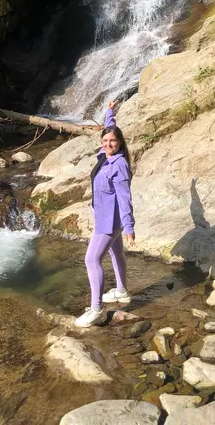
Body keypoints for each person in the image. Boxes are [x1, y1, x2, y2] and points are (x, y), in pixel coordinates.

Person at [75, 100, 135, 328]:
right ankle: (121, 291)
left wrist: (129, 227)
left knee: (91, 259)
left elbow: (125, 197)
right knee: (115, 253)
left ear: (120, 143)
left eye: (113, 141)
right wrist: (110, 112)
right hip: (107, 217)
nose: (109, 144)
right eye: (106, 140)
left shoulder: (119, 165)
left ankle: (96, 309)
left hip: (110, 221)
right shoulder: (104, 155)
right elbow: (109, 128)